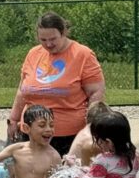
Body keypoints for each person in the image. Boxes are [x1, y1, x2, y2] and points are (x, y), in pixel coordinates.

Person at [7, 12, 106, 156]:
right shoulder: (33, 53)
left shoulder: (83, 54)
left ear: (64, 32)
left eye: (53, 39)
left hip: (67, 135)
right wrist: (14, 119)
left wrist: (91, 126)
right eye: (43, 39)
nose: (48, 44)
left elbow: (96, 92)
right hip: (31, 132)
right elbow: (22, 90)